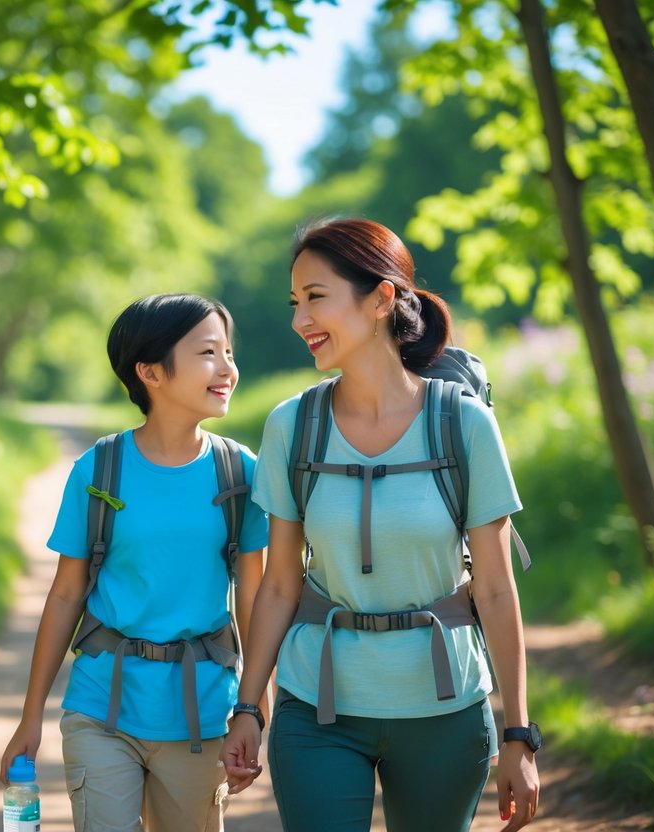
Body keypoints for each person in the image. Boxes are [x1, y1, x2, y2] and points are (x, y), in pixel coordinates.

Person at [219, 218, 540, 832]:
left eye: (316, 298)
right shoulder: (294, 425)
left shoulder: (463, 424)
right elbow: (281, 584)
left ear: (381, 300)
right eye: (295, 303)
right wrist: (248, 709)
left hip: (444, 709)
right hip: (316, 707)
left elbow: (496, 589)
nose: (299, 321)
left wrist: (520, 734)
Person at [1, 293, 270, 832]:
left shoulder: (239, 473)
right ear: (150, 371)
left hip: (200, 716)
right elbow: (65, 595)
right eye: (207, 353)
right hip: (101, 709)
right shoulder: (98, 469)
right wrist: (30, 718)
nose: (228, 368)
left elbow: (256, 602)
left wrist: (252, 712)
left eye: (228, 352)